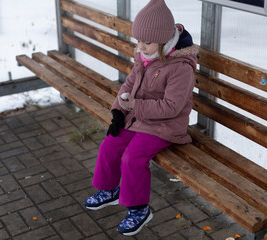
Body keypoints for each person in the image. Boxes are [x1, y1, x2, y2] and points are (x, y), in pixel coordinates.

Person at [83, 0, 198, 236]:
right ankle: (108, 190)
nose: (141, 47)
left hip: (165, 125)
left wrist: (135, 105)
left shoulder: (180, 67)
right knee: (110, 145)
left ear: (164, 40)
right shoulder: (144, 57)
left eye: (147, 42)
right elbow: (130, 84)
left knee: (132, 158)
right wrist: (118, 111)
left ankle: (139, 209)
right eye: (138, 41)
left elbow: (172, 107)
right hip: (138, 117)